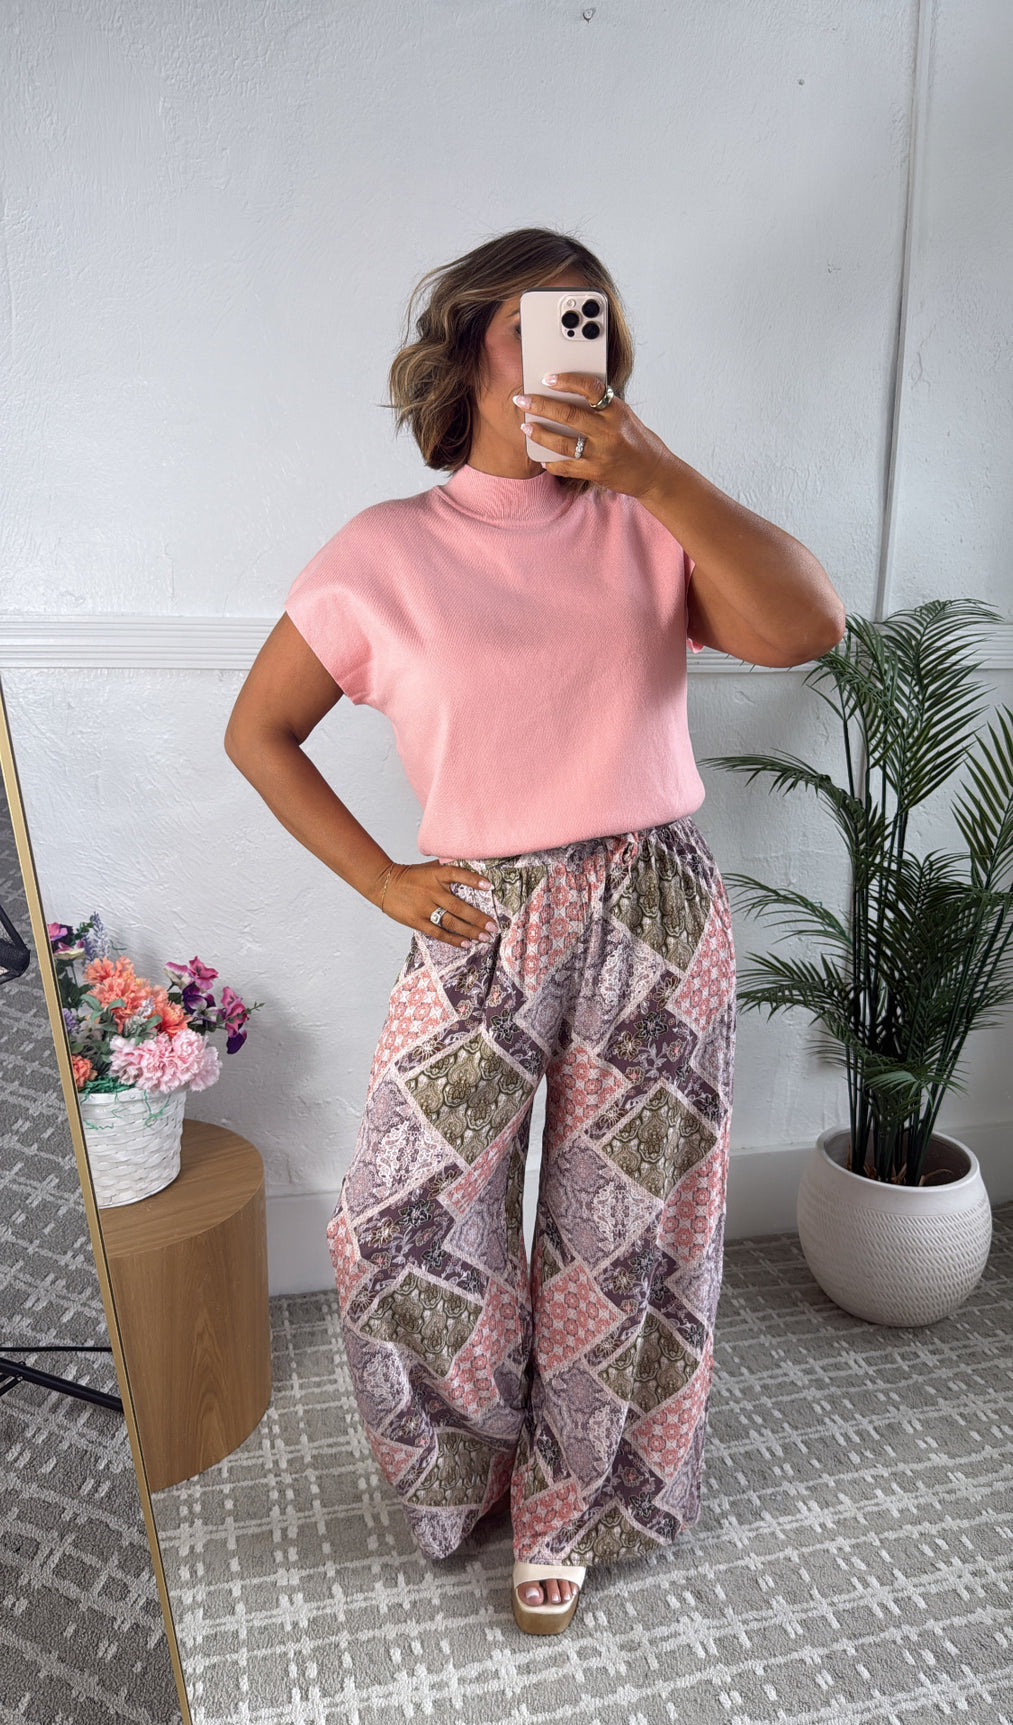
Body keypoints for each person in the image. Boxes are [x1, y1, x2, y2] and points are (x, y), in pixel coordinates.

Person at [224, 227, 845, 1636]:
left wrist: (658, 476)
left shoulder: (646, 521)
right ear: (467, 349)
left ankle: (575, 1502)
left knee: (627, 1233)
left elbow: (808, 625)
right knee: (398, 1222)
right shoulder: (383, 551)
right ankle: (474, 1460)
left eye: (597, 325)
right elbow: (259, 731)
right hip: (481, 912)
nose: (581, 346)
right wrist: (382, 881)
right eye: (544, 323)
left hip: (654, 901)